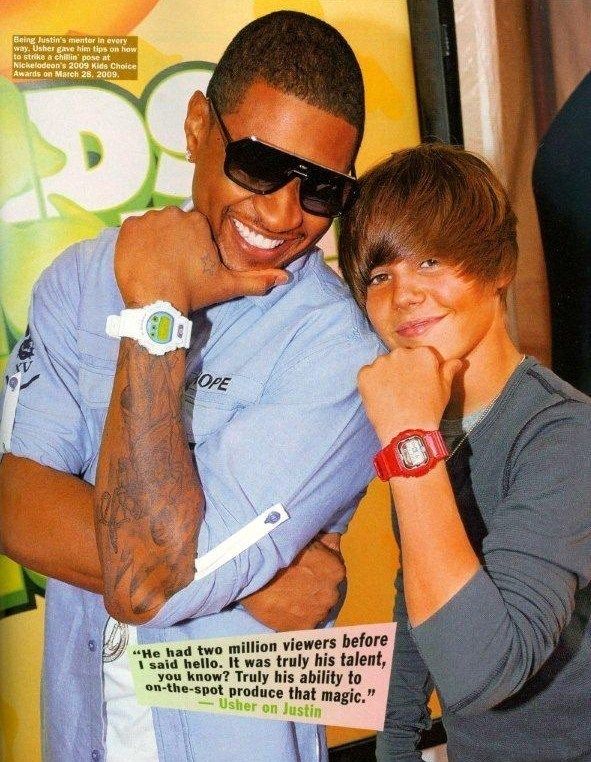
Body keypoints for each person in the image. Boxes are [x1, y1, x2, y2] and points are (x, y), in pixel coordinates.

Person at [0, 12, 382, 762]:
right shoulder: (78, 280)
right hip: (81, 739)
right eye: (260, 165)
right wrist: (249, 581)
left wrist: (156, 311)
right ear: (199, 126)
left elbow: (143, 581)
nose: (283, 213)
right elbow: (14, 504)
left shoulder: (339, 352)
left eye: (320, 190)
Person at [338, 144, 591, 762]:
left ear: (498, 265)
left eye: (429, 260)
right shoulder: (434, 429)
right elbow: (419, 592)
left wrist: (409, 441)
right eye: (380, 275)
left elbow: (483, 671)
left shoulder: (565, 434)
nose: (404, 294)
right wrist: (395, 747)